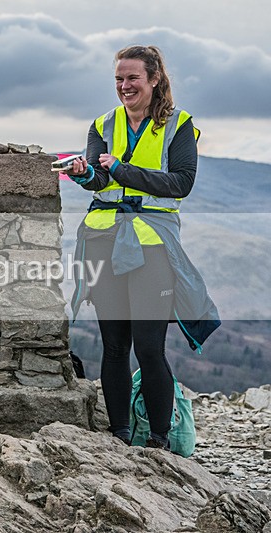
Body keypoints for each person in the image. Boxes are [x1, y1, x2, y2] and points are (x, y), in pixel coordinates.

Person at [67, 45, 219, 450]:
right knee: (114, 346)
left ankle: (159, 440)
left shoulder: (178, 124)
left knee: (150, 348)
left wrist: (121, 170)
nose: (124, 85)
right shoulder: (102, 124)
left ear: (154, 79)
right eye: (119, 78)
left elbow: (181, 182)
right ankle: (118, 436)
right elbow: (101, 182)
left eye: (132, 77)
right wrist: (85, 175)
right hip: (103, 238)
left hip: (151, 244)